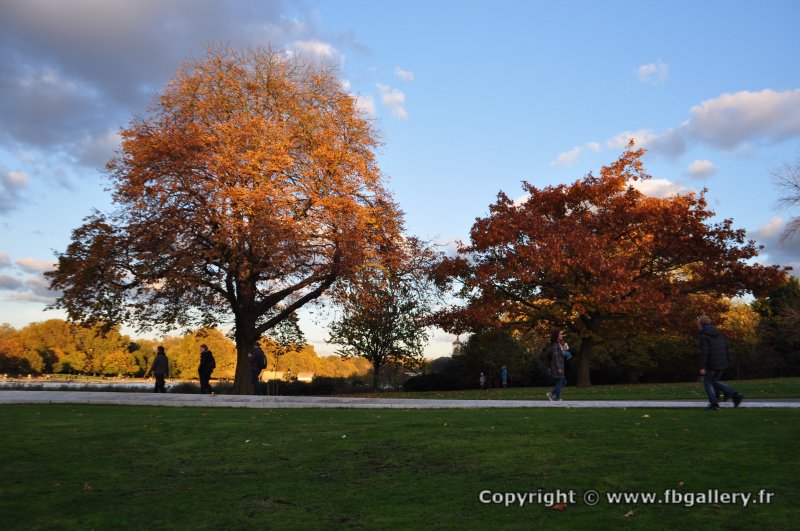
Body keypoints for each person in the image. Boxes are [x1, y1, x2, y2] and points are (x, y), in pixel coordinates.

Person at [698, 315, 743, 410]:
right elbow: (726, 346)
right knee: (714, 381)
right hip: (722, 361)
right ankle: (733, 395)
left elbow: (705, 352)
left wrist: (702, 366)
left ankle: (715, 403)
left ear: (700, 324)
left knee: (707, 382)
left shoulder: (704, 336)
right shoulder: (718, 333)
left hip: (712, 362)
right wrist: (728, 359)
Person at [546, 330, 568, 401]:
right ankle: (556, 397)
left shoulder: (559, 344)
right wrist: (558, 368)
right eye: (560, 334)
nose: (562, 335)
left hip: (561, 365)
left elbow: (562, 353)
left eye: (562, 334)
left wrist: (565, 348)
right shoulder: (555, 345)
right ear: (556, 336)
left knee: (563, 382)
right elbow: (555, 357)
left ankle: (551, 394)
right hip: (557, 366)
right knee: (560, 380)